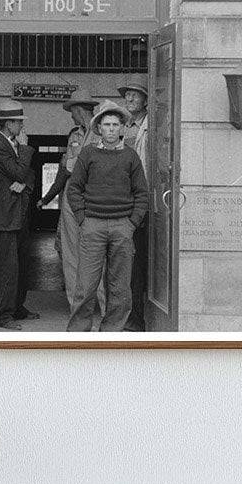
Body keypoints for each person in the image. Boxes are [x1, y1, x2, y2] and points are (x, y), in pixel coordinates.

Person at [65, 99, 149, 332]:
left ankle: (111, 333)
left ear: (122, 128)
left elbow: (141, 193)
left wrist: (131, 223)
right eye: (107, 124)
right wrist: (83, 218)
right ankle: (78, 335)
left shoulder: (130, 157)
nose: (111, 129)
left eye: (115, 125)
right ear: (99, 128)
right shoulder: (88, 154)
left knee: (120, 287)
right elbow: (74, 189)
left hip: (122, 227)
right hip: (93, 226)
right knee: (86, 285)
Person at [36, 92, 99, 311]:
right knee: (70, 255)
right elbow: (64, 170)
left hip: (93, 200)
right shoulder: (74, 134)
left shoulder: (101, 132)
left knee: (97, 253)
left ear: (79, 109)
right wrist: (48, 197)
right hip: (71, 201)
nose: (71, 116)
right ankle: (77, 306)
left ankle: (102, 305)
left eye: (71, 111)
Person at [0, 99, 38, 330]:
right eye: (18, 122)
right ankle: (3, 315)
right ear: (7, 124)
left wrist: (24, 184)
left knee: (22, 265)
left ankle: (17, 307)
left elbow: (30, 174)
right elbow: (18, 171)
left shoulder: (12, 144)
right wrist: (25, 150)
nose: (22, 127)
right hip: (6, 217)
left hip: (19, 214)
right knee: (8, 269)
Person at [119, 76, 150, 330]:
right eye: (127, 94)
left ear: (146, 100)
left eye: (135, 94)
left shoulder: (153, 125)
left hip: (144, 202)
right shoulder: (124, 127)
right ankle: (131, 317)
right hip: (126, 201)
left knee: (138, 264)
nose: (129, 98)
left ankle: (137, 319)